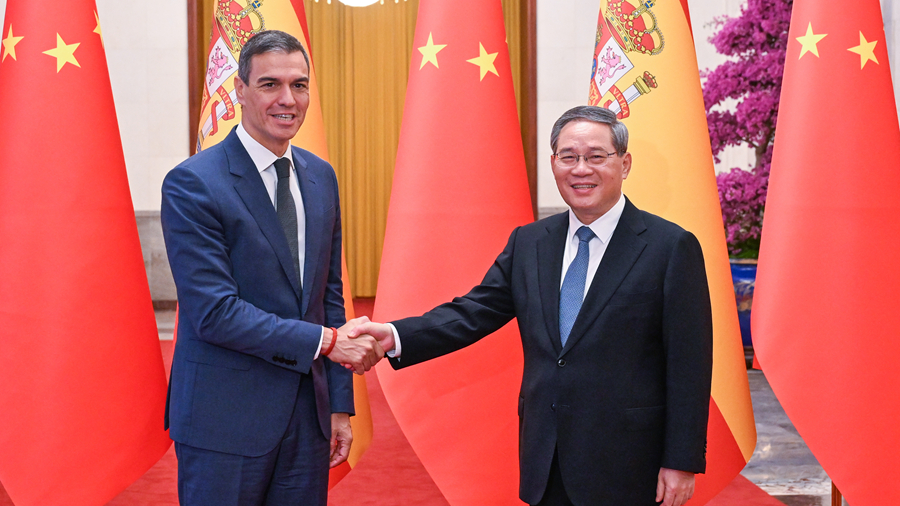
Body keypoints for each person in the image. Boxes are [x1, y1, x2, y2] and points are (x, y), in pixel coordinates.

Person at [351, 105, 713, 506]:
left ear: (624, 164)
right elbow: (472, 312)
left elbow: (689, 366)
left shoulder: (670, 247)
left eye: (596, 156)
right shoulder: (530, 242)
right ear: (553, 162)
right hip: (547, 457)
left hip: (630, 464)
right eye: (568, 157)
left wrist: (681, 461)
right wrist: (394, 335)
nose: (581, 169)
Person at [160, 30, 383, 505]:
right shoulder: (193, 183)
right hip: (223, 421)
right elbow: (214, 312)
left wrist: (339, 406)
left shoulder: (320, 176)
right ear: (239, 90)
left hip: (307, 418)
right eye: (270, 85)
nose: (288, 99)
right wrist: (326, 342)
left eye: (299, 85)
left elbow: (329, 298)